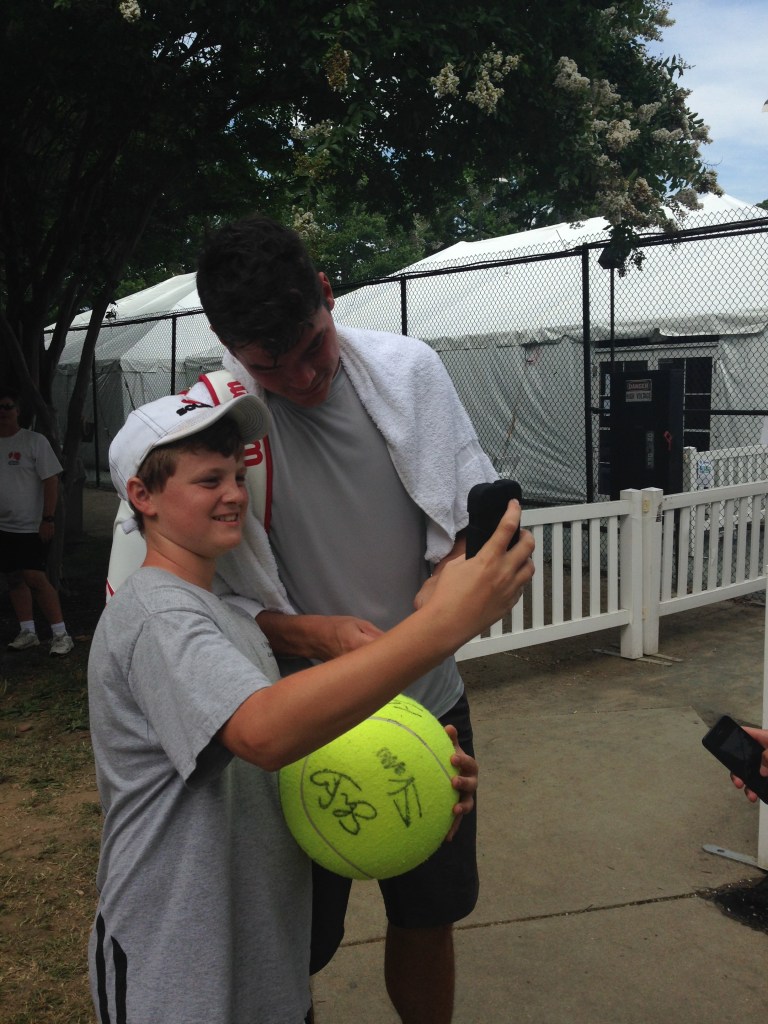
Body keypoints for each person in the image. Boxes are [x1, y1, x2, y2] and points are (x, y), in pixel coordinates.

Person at [89, 390, 534, 1023]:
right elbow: (263, 732)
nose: (235, 495)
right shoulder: (155, 614)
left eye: (239, 476)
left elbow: (290, 766)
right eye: (208, 479)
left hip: (262, 960)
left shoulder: (228, 621)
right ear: (143, 496)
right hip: (172, 964)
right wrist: (444, 623)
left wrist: (421, 775)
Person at [190, 214, 506, 1024]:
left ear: (327, 297)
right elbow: (195, 600)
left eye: (314, 346)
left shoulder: (410, 372)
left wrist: (450, 574)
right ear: (228, 346)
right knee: (292, 936)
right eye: (273, 366)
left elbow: (465, 517)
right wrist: (304, 633)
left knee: (427, 916)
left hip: (428, 704)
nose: (302, 377)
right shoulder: (207, 426)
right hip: (302, 721)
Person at [0, 388, 74, 656]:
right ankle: (28, 631)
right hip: (4, 527)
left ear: (18, 411)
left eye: (7, 406)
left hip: (31, 526)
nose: (3, 412)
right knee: (14, 577)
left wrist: (48, 518)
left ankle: (60, 634)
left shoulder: (34, 442)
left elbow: (51, 480)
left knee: (35, 576)